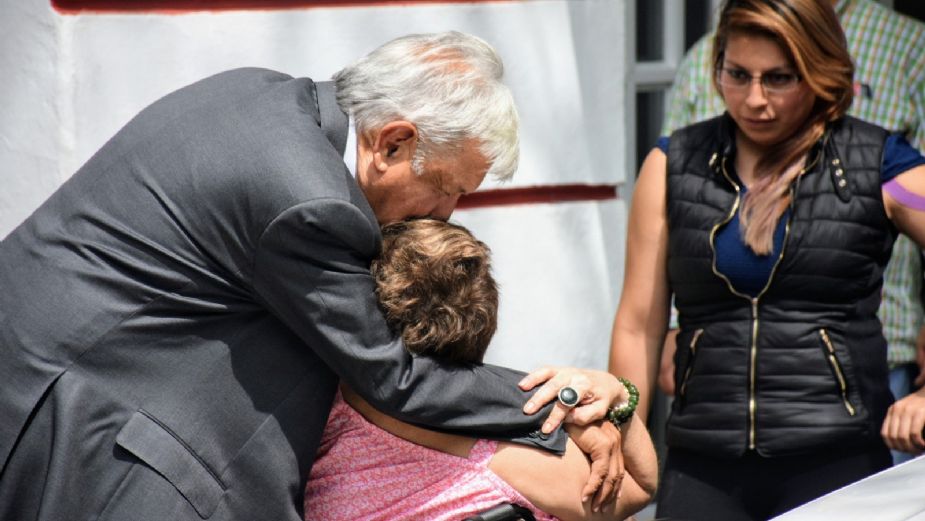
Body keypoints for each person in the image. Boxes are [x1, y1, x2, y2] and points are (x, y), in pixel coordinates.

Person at [0, 31, 626, 520]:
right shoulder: (310, 203)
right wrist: (562, 403)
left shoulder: (261, 92)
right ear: (392, 143)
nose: (445, 214)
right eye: (443, 188)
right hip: (71, 409)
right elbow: (392, 374)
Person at [607, 0, 925, 519]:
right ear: (717, 69)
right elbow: (638, 326)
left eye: (779, 79)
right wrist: (620, 452)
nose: (755, 100)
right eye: (738, 75)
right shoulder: (672, 165)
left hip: (837, 464)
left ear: (819, 71)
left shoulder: (877, 163)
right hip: (701, 464)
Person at [306, 218, 658, 521]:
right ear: (486, 318)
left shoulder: (323, 406)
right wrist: (617, 393)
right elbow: (640, 485)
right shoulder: (514, 464)